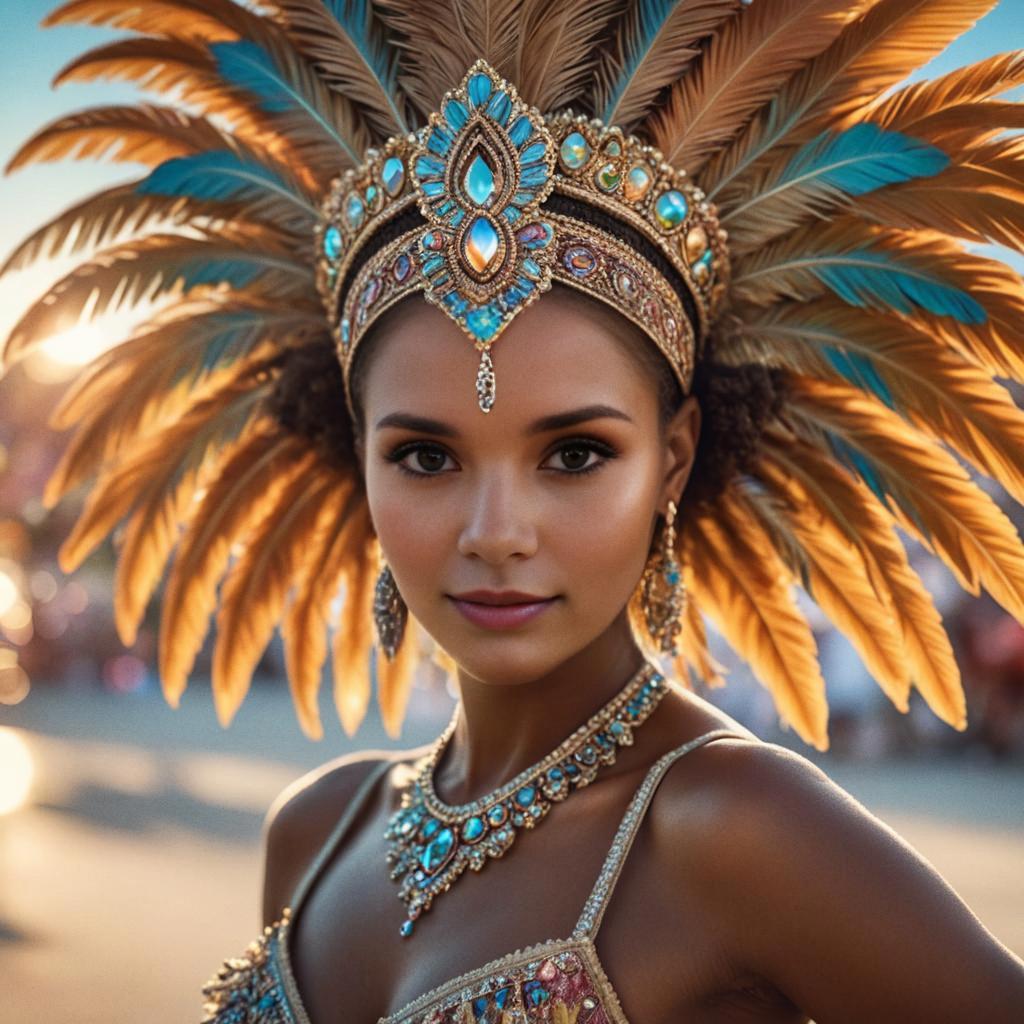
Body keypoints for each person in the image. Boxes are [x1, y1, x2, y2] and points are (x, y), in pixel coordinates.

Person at [4, 1, 1024, 1020]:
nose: (495, 531)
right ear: (356, 458)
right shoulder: (315, 829)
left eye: (574, 454)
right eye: (425, 455)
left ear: (672, 459)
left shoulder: (730, 827)